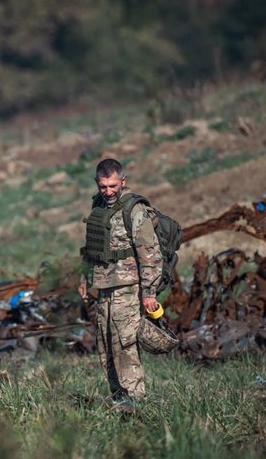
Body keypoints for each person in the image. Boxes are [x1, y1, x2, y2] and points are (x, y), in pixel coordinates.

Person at [78, 158, 163, 411]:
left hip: (128, 288)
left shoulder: (133, 210)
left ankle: (137, 400)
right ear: (97, 183)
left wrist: (149, 292)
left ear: (123, 181)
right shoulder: (98, 206)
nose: (108, 191)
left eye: (113, 185)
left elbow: (150, 253)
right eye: (103, 186)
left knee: (125, 344)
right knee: (105, 343)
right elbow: (91, 249)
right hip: (104, 287)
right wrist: (84, 278)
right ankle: (119, 398)